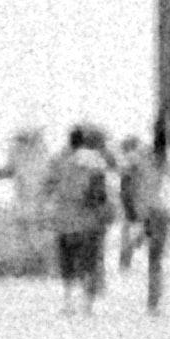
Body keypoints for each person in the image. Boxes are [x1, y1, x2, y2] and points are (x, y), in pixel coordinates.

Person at [45, 123, 116, 309]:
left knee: (67, 261)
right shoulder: (94, 160)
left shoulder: (57, 159)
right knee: (89, 260)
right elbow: (101, 192)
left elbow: (48, 186)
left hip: (64, 219)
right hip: (88, 219)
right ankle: (87, 301)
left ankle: (68, 301)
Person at [119, 118, 170, 316]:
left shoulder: (142, 156)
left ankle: (133, 244)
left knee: (154, 253)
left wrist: (130, 204)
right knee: (157, 256)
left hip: (146, 207)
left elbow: (126, 179)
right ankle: (154, 301)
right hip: (165, 209)